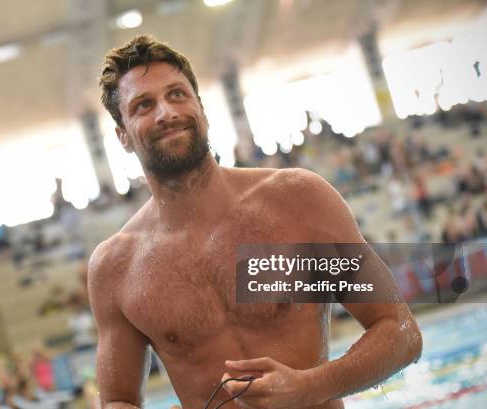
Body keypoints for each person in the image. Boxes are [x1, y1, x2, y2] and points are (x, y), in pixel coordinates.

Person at [88, 35, 422, 409]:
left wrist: (311, 386)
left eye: (177, 94)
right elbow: (117, 400)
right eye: (143, 105)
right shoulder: (115, 267)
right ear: (123, 137)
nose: (166, 113)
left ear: (201, 107)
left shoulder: (298, 200)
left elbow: (400, 331)